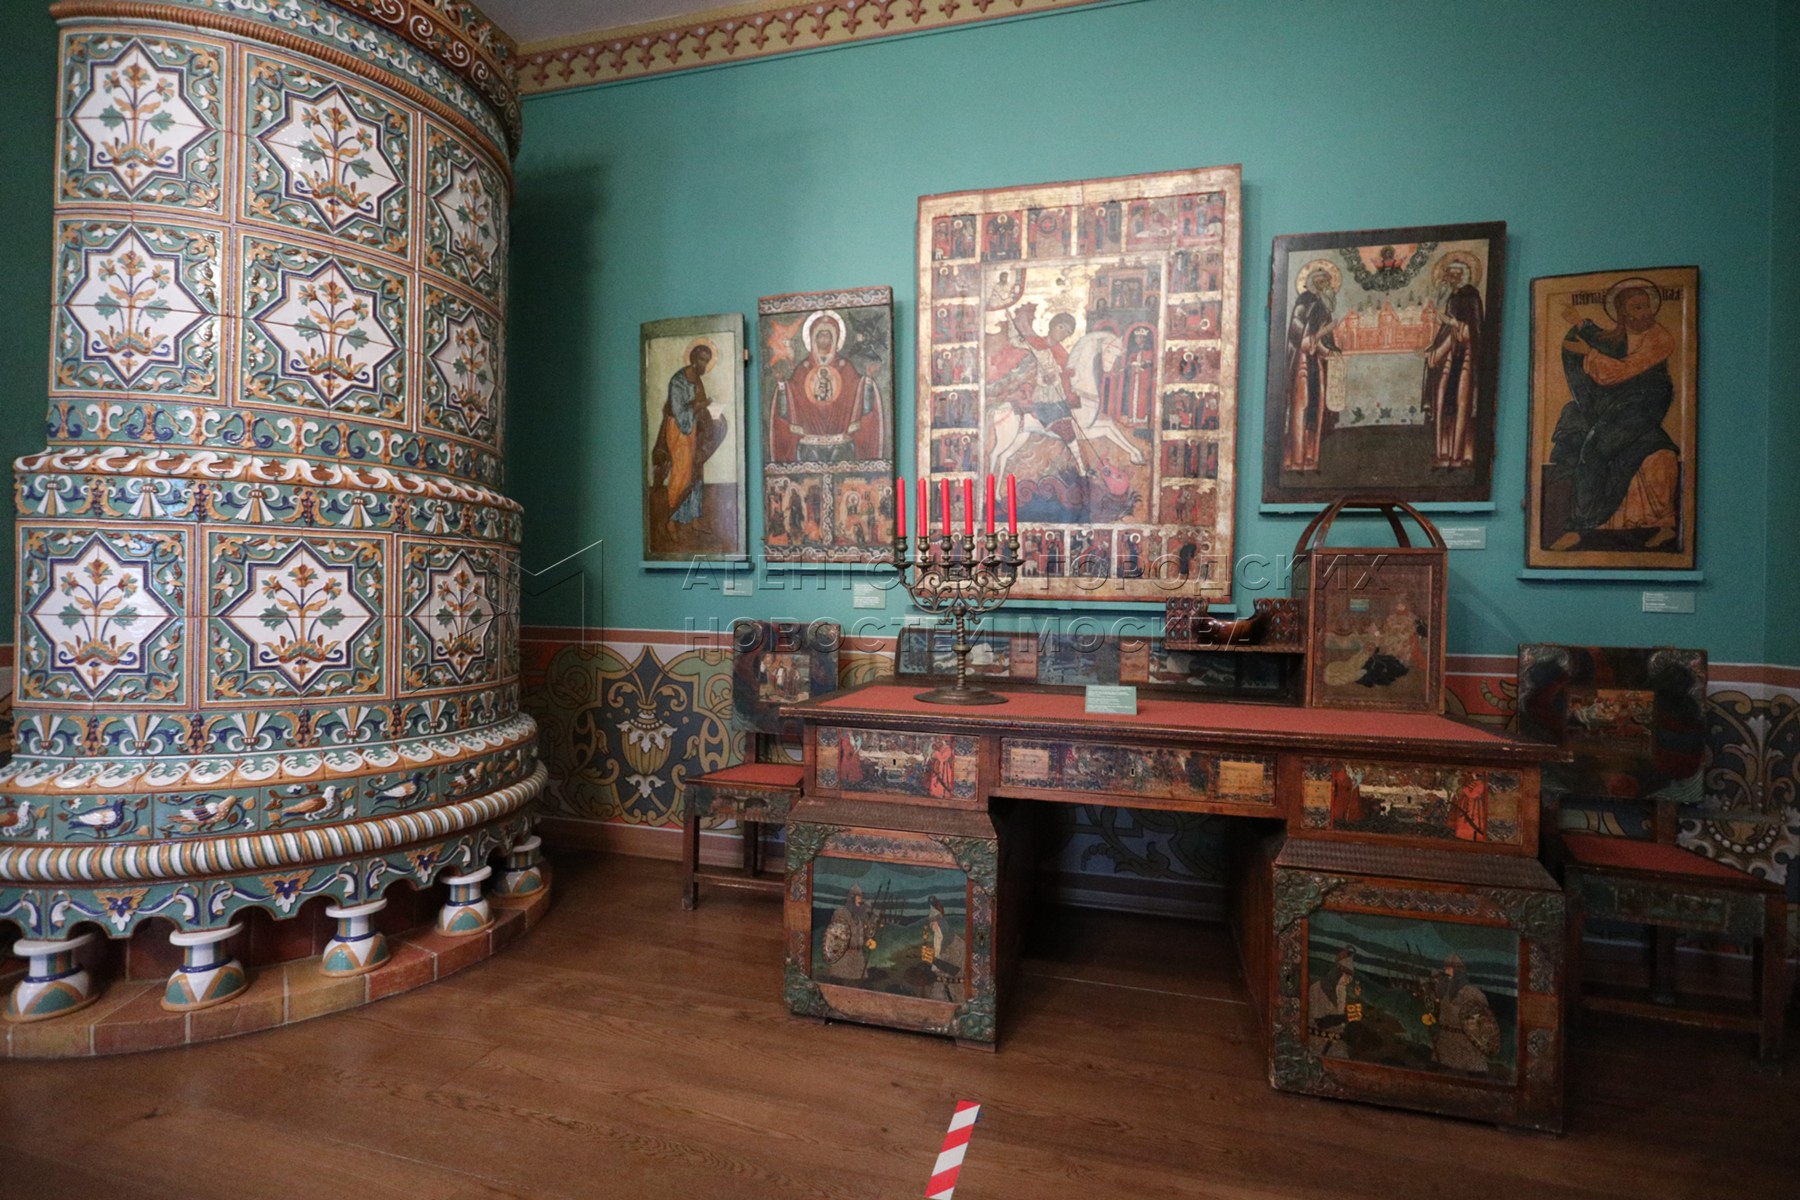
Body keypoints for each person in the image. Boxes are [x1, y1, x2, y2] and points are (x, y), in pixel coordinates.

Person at [1544, 278, 1680, 550]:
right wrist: (1580, 323)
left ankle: (1579, 526)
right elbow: (1605, 340)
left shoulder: (1660, 337)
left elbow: (1621, 371)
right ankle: (1591, 526)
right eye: (1637, 308)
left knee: (1594, 447)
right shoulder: (1624, 334)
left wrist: (1588, 353)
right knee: (1593, 435)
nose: (1645, 313)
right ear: (1624, 313)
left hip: (1646, 402)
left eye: (1646, 306)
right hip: (1622, 401)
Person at [772, 311, 883, 465]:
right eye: (820, 335)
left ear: (835, 339)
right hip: (809, 446)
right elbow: (790, 397)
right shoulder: (803, 369)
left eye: (828, 335)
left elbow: (862, 399)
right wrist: (782, 385)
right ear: (813, 339)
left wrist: (868, 380)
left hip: (841, 445)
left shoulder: (846, 367)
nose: (824, 339)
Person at [651, 342, 724, 538]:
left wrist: (712, 415)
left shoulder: (697, 379)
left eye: (707, 361)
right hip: (679, 429)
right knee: (681, 474)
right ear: (693, 359)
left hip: (694, 430)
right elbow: (678, 411)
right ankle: (671, 522)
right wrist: (701, 405)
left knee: (697, 474)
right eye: (702, 360)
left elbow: (699, 406)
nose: (704, 364)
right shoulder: (678, 380)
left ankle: (694, 520)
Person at [1421, 256, 1484, 468]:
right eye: (1448, 275)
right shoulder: (1452, 297)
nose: (1450, 279)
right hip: (1451, 358)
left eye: (1454, 276)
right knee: (1445, 405)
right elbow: (1446, 329)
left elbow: (1473, 330)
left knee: (1463, 405)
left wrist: (1455, 324)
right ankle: (1445, 453)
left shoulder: (1470, 296)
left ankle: (1462, 455)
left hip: (1466, 358)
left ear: (1462, 276)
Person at [1282, 262, 1341, 472]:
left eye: (1328, 283)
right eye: (1322, 283)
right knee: (1302, 408)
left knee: (1314, 412)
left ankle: (1309, 458)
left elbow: (1323, 342)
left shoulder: (1323, 306)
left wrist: (1330, 351)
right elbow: (1299, 336)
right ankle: (1295, 459)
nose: (1327, 287)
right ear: (1313, 283)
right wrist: (1322, 333)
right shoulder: (1304, 302)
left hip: (1316, 363)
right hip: (1302, 364)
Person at [1429, 953, 1501, 1073]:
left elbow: (1481, 1018)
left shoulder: (1473, 993)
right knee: (1442, 1071)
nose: (1446, 971)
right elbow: (1434, 1002)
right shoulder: (1444, 991)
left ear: (1458, 971)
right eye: (1445, 968)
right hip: (1445, 1041)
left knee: (1473, 1073)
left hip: (1465, 1042)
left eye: (1449, 968)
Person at [1307, 946, 1363, 1059]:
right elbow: (1320, 1022)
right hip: (1318, 1043)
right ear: (1338, 973)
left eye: (1350, 978)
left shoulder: (1341, 991)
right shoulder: (1317, 989)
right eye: (1347, 976)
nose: (1348, 981)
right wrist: (1346, 1017)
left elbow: (1340, 1020)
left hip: (1337, 1045)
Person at [822, 885, 875, 982]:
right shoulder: (841, 914)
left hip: (858, 959)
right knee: (841, 982)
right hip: (844, 959)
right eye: (858, 898)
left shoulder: (859, 918)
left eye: (861, 898)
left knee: (858, 985)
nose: (860, 901)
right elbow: (836, 935)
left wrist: (867, 941)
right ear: (851, 899)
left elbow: (862, 935)